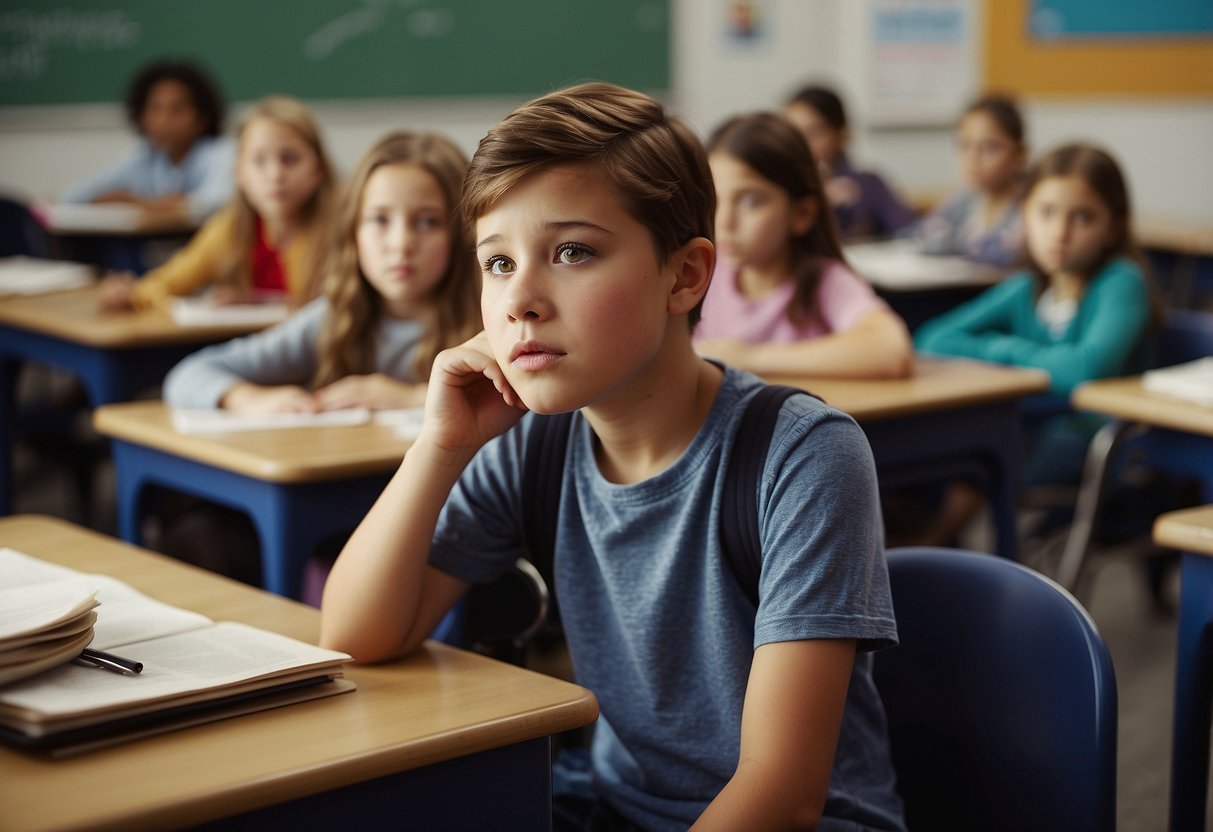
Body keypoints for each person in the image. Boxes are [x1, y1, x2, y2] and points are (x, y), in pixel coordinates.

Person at [320, 82, 905, 831]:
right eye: (497, 263)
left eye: (571, 252)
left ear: (685, 275)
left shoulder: (801, 455)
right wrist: (440, 446)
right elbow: (356, 635)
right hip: (610, 809)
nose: (520, 299)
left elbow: (781, 793)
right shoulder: (533, 440)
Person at [157, 130, 480, 584]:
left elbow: (536, 415)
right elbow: (189, 374)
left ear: (462, 230)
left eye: (426, 222)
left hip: (448, 535)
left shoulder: (489, 319)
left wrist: (412, 396)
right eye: (380, 221)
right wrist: (248, 399)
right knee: (198, 530)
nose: (401, 243)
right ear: (353, 230)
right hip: (345, 526)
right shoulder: (334, 317)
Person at [911, 142, 1159, 546]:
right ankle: (935, 551)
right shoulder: (1026, 287)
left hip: (1101, 444)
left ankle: (937, 550)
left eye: (1083, 217)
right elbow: (933, 338)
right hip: (1036, 429)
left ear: (1113, 228)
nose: (1060, 233)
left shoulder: (1121, 281)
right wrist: (1011, 353)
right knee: (953, 442)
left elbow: (1083, 369)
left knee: (984, 453)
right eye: (1046, 213)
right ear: (1023, 216)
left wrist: (1003, 351)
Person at [694, 112, 913, 379]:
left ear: (802, 214)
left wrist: (750, 357)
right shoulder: (702, 278)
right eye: (715, 200)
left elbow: (890, 350)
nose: (725, 221)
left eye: (750, 201)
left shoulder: (826, 280)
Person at [98, 95, 337, 312]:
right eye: (259, 161)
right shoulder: (230, 229)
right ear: (239, 173)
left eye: (290, 159)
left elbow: (340, 305)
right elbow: (167, 282)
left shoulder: (341, 230)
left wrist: (257, 303)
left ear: (319, 170)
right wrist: (130, 294)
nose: (275, 175)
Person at [62, 59, 234, 219]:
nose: (163, 121)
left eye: (177, 110)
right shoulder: (144, 157)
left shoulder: (221, 154)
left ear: (202, 119)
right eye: (155, 109)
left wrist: (140, 203)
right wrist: (120, 200)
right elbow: (74, 196)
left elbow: (216, 202)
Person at [905, 93, 1027, 266]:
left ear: (1020, 153)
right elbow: (921, 233)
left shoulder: (1031, 205)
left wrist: (953, 245)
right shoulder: (965, 199)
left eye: (990, 148)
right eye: (965, 145)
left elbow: (1009, 252)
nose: (973, 158)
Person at [783, 84, 916, 241]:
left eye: (814, 132)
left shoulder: (866, 184)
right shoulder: (775, 189)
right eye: (792, 132)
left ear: (842, 136)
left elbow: (909, 232)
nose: (801, 143)